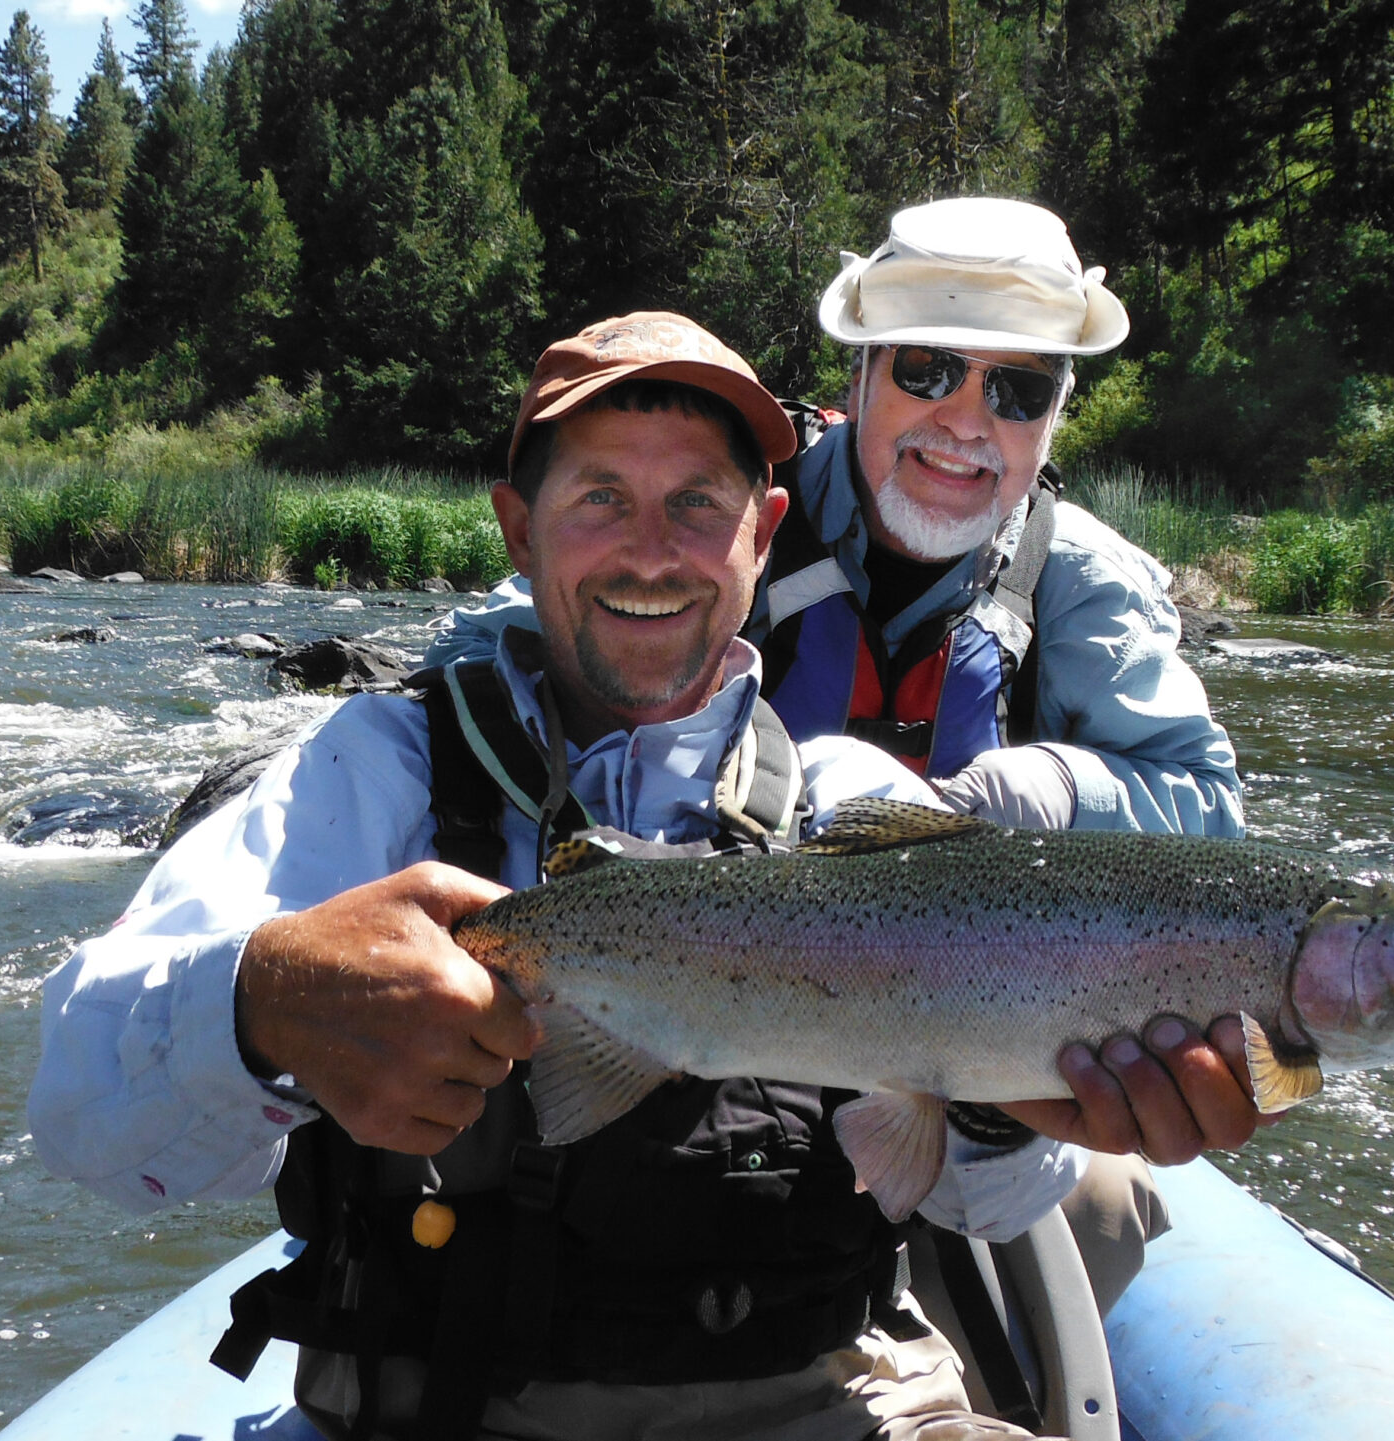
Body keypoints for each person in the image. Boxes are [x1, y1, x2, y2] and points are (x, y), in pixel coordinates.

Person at [27, 312, 1264, 1441]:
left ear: (763, 533)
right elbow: (79, 1111)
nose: (652, 554)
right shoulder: (374, 775)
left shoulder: (852, 803)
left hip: (827, 1410)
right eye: (600, 500)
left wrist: (1007, 1105)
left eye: (697, 505)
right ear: (518, 527)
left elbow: (997, 1207)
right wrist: (264, 996)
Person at [424, 198, 1256, 1310]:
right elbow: (531, 623)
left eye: (1018, 391)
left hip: (969, 1027)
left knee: (1102, 1212)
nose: (967, 423)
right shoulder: (721, 524)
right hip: (703, 990)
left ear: (1057, 413)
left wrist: (1046, 789)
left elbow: (1207, 808)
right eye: (928, 369)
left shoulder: (1084, 581)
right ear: (859, 372)